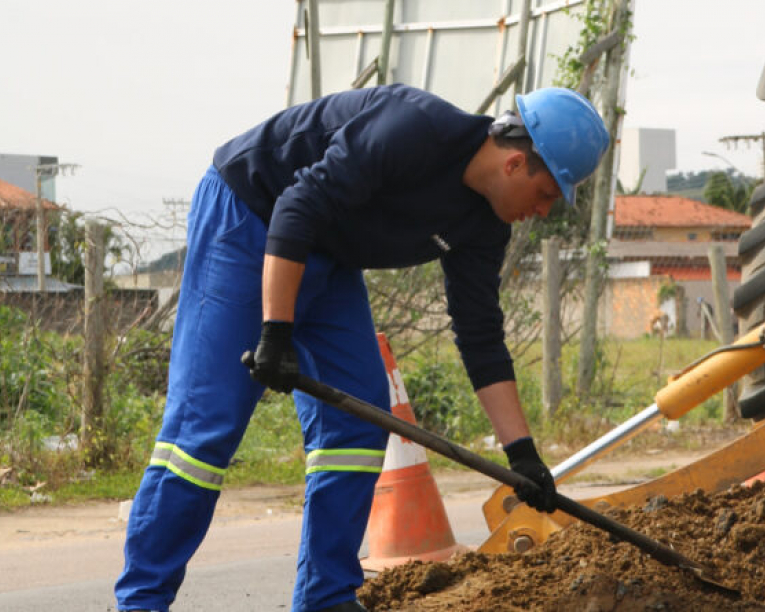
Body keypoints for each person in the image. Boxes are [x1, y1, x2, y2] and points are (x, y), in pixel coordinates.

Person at [114, 83, 610, 612]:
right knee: (205, 428)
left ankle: (326, 597)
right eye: (546, 195)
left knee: (359, 419)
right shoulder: (412, 129)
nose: (542, 211)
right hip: (249, 217)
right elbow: (295, 208)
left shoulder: (484, 225)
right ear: (515, 163)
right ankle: (142, 600)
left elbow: (481, 334)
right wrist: (276, 332)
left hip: (327, 252)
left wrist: (523, 456)